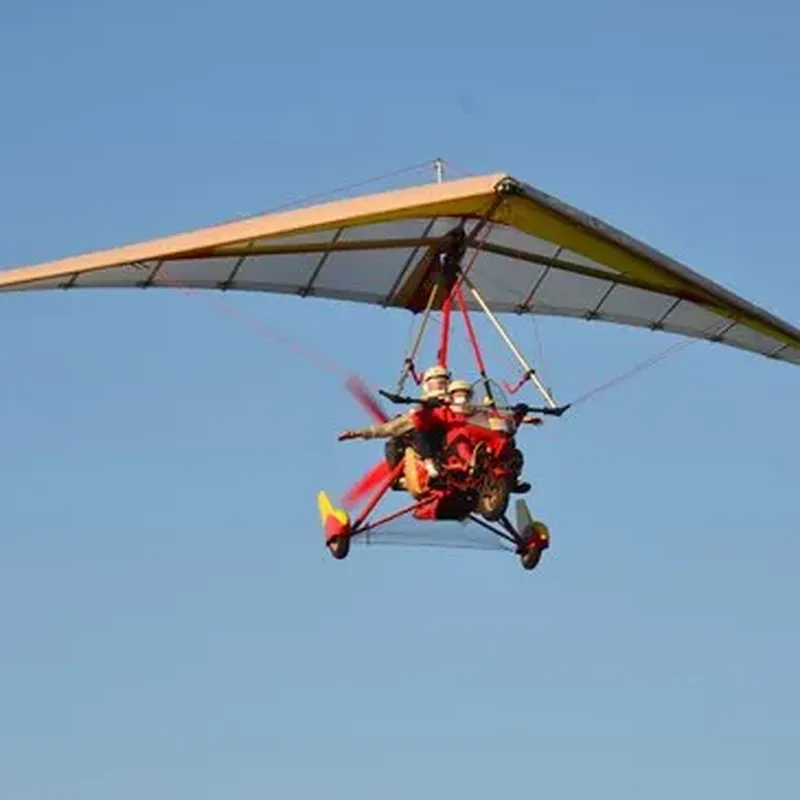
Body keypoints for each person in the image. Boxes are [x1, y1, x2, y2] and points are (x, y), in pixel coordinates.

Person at [337, 364, 452, 479]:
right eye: (435, 383)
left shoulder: (456, 406)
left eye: (443, 383)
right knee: (403, 439)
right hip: (435, 453)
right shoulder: (421, 414)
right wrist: (357, 433)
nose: (439, 387)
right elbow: (389, 428)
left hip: (452, 448)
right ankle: (403, 478)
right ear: (426, 387)